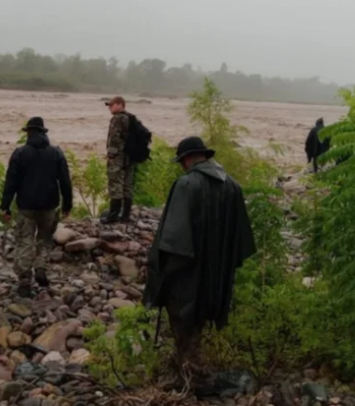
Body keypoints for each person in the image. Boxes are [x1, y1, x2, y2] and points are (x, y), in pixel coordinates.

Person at [143, 136, 256, 380]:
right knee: (202, 316)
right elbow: (242, 242)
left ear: (185, 160)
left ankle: (187, 373)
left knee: (183, 317)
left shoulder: (186, 185)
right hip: (217, 274)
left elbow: (174, 241)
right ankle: (192, 365)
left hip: (187, 272)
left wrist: (161, 274)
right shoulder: (233, 186)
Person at [0, 117, 73, 297]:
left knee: (24, 240)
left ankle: (25, 280)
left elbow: (11, 182)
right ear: (43, 133)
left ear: (28, 133)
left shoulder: (19, 153)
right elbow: (65, 181)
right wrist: (67, 204)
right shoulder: (56, 153)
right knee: (45, 238)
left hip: (26, 205)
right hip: (49, 204)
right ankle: (40, 267)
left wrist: (5, 206)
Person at [102, 96, 135, 224]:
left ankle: (113, 216)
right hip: (130, 157)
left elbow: (115, 138)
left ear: (120, 104)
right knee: (127, 186)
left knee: (115, 184)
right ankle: (125, 216)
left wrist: (111, 155)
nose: (109, 108)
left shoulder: (117, 118)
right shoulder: (130, 118)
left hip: (119, 157)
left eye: (111, 105)